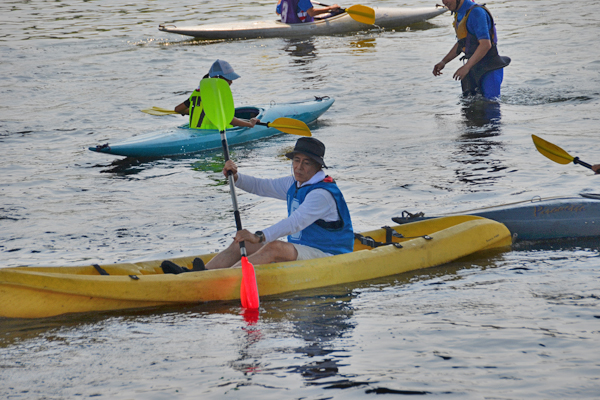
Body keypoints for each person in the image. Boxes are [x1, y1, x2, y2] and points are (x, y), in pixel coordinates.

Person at [205, 137, 354, 270]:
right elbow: (261, 186)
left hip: (329, 256)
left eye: (306, 163)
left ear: (318, 167)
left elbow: (294, 223)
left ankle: (223, 279)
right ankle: (199, 274)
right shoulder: (294, 183)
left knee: (275, 247)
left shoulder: (322, 194)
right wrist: (236, 176)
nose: (299, 167)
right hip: (302, 250)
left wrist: (259, 236)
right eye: (296, 160)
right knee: (241, 244)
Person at [433, 0, 510, 100]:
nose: (444, 2)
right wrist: (443, 62)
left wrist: (466, 67)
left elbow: (485, 45)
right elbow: (462, 43)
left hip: (490, 68)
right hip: (473, 68)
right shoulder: (459, 14)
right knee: (469, 110)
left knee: (491, 107)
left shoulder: (476, 13)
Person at [174, 59, 259, 129]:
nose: (231, 82)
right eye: (228, 78)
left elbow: (178, 109)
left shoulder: (197, 92)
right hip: (212, 134)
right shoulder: (217, 96)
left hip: (194, 131)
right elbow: (228, 119)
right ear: (216, 78)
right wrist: (250, 124)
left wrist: (196, 111)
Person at [276, 0, 341, 24]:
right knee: (336, 12)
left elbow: (277, 12)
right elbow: (312, 12)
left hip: (287, 23)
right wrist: (330, 8)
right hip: (299, 26)